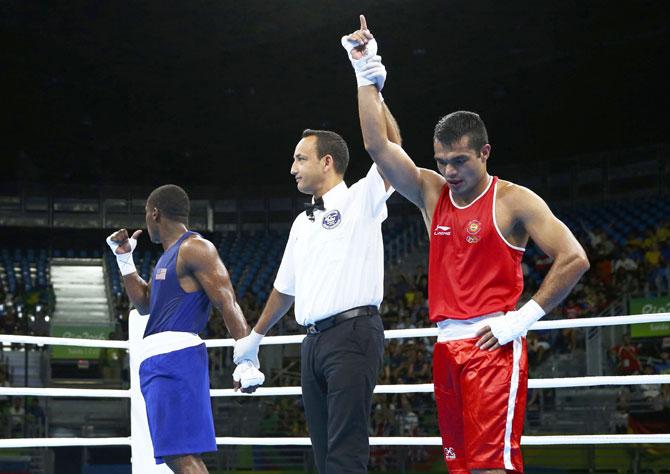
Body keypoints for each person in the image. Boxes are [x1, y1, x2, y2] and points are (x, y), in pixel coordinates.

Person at [342, 16, 590, 473]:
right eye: (443, 161)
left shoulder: (513, 201)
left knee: (493, 467)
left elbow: (573, 257)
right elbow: (379, 149)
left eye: (459, 161)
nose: (450, 171)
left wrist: (523, 318)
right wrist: (365, 74)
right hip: (445, 348)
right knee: (461, 468)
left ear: (484, 153)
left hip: (493, 344)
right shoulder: (431, 193)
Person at [233, 124, 400, 473]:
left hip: (353, 334)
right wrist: (255, 337)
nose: (292, 168)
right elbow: (284, 289)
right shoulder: (301, 223)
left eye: (300, 159)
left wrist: (371, 86)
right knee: (323, 451)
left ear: (327, 162)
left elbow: (391, 147)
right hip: (312, 343)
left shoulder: (361, 198)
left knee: (345, 448)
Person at [106, 184, 264, 474]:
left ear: (155, 213)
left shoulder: (195, 247)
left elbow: (226, 300)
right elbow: (144, 304)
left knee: (180, 455)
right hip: (160, 360)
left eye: (145, 214)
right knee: (173, 454)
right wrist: (124, 259)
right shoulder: (167, 257)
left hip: (175, 359)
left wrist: (246, 357)